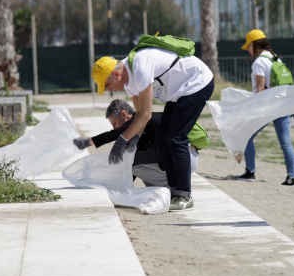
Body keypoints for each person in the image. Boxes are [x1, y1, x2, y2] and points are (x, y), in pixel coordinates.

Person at [91, 48, 214, 211]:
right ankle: (174, 191)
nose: (109, 90)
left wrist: (122, 140)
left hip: (197, 82)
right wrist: (132, 141)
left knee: (176, 138)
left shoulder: (139, 68)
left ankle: (184, 195)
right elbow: (139, 118)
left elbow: (146, 115)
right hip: (178, 93)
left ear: (115, 74)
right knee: (165, 138)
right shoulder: (130, 81)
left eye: (107, 85)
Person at [72, 99, 202, 187]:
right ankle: (170, 184)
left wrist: (88, 142)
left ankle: (171, 186)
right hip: (188, 157)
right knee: (134, 157)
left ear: (124, 114)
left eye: (115, 124)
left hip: (182, 161)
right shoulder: (146, 120)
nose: (115, 128)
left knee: (128, 161)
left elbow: (115, 134)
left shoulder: (137, 121)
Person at [237, 29, 294, 186]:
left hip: (267, 107)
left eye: (248, 47)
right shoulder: (275, 58)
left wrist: (252, 108)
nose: (248, 50)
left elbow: (260, 89)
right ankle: (291, 176)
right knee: (285, 142)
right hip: (283, 105)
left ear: (254, 45)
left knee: (247, 135)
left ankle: (250, 171)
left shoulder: (258, 63)